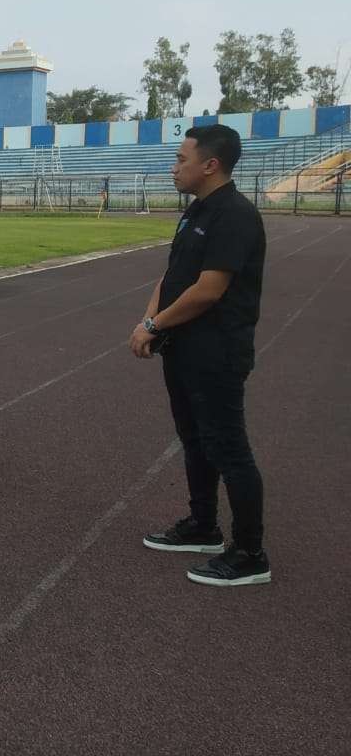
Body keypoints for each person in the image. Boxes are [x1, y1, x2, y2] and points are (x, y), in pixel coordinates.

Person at [131, 124, 270, 587]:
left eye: (181, 159)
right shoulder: (196, 211)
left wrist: (154, 324)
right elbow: (174, 275)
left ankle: (250, 553)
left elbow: (209, 290)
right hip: (183, 347)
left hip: (217, 352)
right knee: (195, 441)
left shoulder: (235, 215)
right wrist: (150, 320)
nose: (175, 167)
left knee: (229, 448)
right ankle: (203, 526)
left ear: (210, 165)